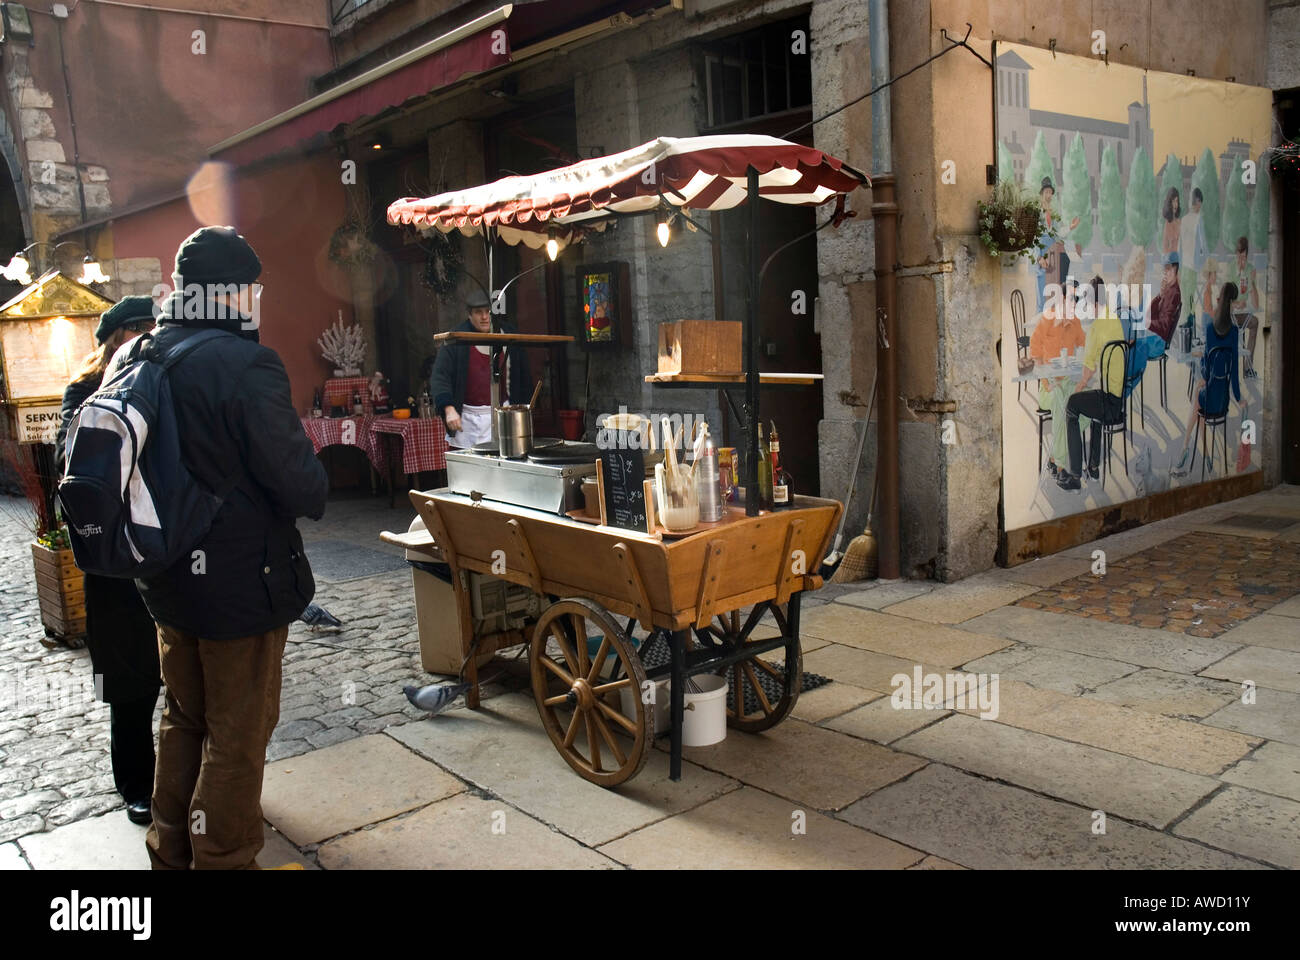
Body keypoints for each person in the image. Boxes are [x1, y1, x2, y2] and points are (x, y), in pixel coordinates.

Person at [112, 227, 328, 870]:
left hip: (167, 579)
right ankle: (225, 858)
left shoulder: (137, 354)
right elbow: (301, 484)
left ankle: (170, 849)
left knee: (184, 717)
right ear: (232, 293)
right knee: (237, 733)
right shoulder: (244, 363)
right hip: (239, 583)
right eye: (251, 289)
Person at [55, 296, 161, 827]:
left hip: (162, 552)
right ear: (119, 336)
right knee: (128, 679)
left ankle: (187, 780)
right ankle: (137, 784)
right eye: (141, 329)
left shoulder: (164, 382)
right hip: (115, 560)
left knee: (181, 673)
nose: (149, 338)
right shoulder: (84, 393)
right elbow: (71, 472)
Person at [430, 288, 532, 449]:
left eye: (488, 311)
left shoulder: (508, 334)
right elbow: (439, 376)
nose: (485, 317)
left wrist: (525, 409)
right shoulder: (457, 338)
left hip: (503, 416)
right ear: (470, 314)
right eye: (479, 312)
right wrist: (448, 408)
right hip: (468, 421)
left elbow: (524, 375)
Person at [1057, 276, 1127, 492]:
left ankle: (1076, 475)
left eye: (1087, 303)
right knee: (1094, 401)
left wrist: (1076, 391)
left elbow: (1088, 370)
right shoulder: (1115, 319)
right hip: (1117, 399)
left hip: (1107, 402)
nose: (1087, 307)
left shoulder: (1097, 327)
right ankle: (1093, 468)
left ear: (1095, 303)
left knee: (1072, 405)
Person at [1172, 282, 1242, 476]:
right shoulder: (1234, 332)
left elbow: (1206, 371)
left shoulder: (1211, 329)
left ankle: (1186, 449)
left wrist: (1203, 358)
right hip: (1223, 402)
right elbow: (1234, 370)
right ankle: (1207, 456)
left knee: (1198, 396)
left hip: (1210, 396)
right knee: (1200, 402)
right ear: (1233, 303)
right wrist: (1238, 397)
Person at [1029, 277, 1086, 478]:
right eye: (1072, 298)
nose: (1075, 303)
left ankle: (1054, 458)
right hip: (1049, 387)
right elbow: (1034, 354)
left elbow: (1085, 348)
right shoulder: (1047, 319)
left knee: (1084, 405)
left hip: (1068, 382)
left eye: (1077, 299)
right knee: (1064, 405)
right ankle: (1061, 466)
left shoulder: (1076, 322)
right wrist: (1046, 382)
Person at [1033, 177, 1076, 312]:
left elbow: (1057, 233)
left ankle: (1051, 325)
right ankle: (1039, 326)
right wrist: (1038, 257)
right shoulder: (1036, 212)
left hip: (1052, 254)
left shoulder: (1053, 213)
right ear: (1042, 193)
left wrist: (1070, 227)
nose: (1048, 195)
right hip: (1041, 253)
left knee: (1052, 291)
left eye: (1050, 192)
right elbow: (1033, 237)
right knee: (1042, 292)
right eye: (1046, 192)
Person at [1229, 236, 1260, 378]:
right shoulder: (1230, 268)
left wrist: (1252, 283)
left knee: (1255, 322)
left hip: (1243, 315)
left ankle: (1248, 368)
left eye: (1244, 256)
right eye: (1240, 256)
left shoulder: (1250, 269)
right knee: (1232, 331)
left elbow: (1256, 304)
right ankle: (1231, 370)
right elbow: (1223, 299)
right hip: (1230, 315)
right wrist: (1236, 303)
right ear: (1236, 254)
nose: (1242, 260)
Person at [1144, 252, 1182, 348]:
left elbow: (1164, 326)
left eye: (1168, 269)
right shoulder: (1168, 289)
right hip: (1156, 336)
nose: (1165, 272)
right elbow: (1151, 313)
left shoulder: (1174, 294)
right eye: (1164, 269)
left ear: (1175, 270)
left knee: (1133, 345)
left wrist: (1148, 323)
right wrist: (1160, 296)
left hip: (1158, 341)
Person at [1161, 187, 1181, 256]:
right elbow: (1165, 248)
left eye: (1176, 201)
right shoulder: (1167, 223)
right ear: (1169, 203)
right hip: (1171, 260)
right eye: (1173, 201)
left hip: (1180, 259)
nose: (1175, 204)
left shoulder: (1179, 222)